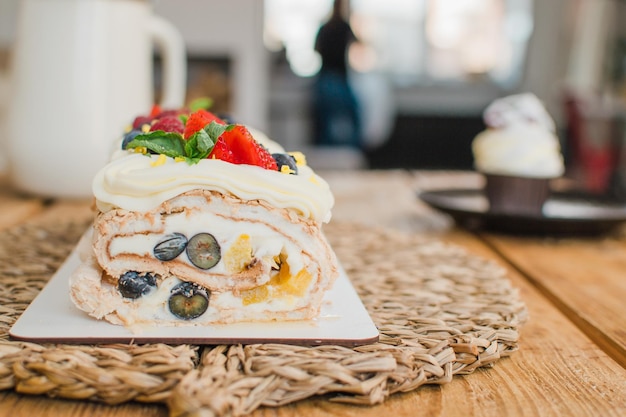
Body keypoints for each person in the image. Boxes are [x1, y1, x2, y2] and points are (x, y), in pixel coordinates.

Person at [313, 0, 361, 148]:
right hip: (338, 77)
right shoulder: (344, 27)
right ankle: (353, 147)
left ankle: (326, 148)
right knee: (352, 113)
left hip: (325, 77)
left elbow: (316, 49)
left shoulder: (324, 27)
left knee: (325, 118)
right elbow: (359, 43)